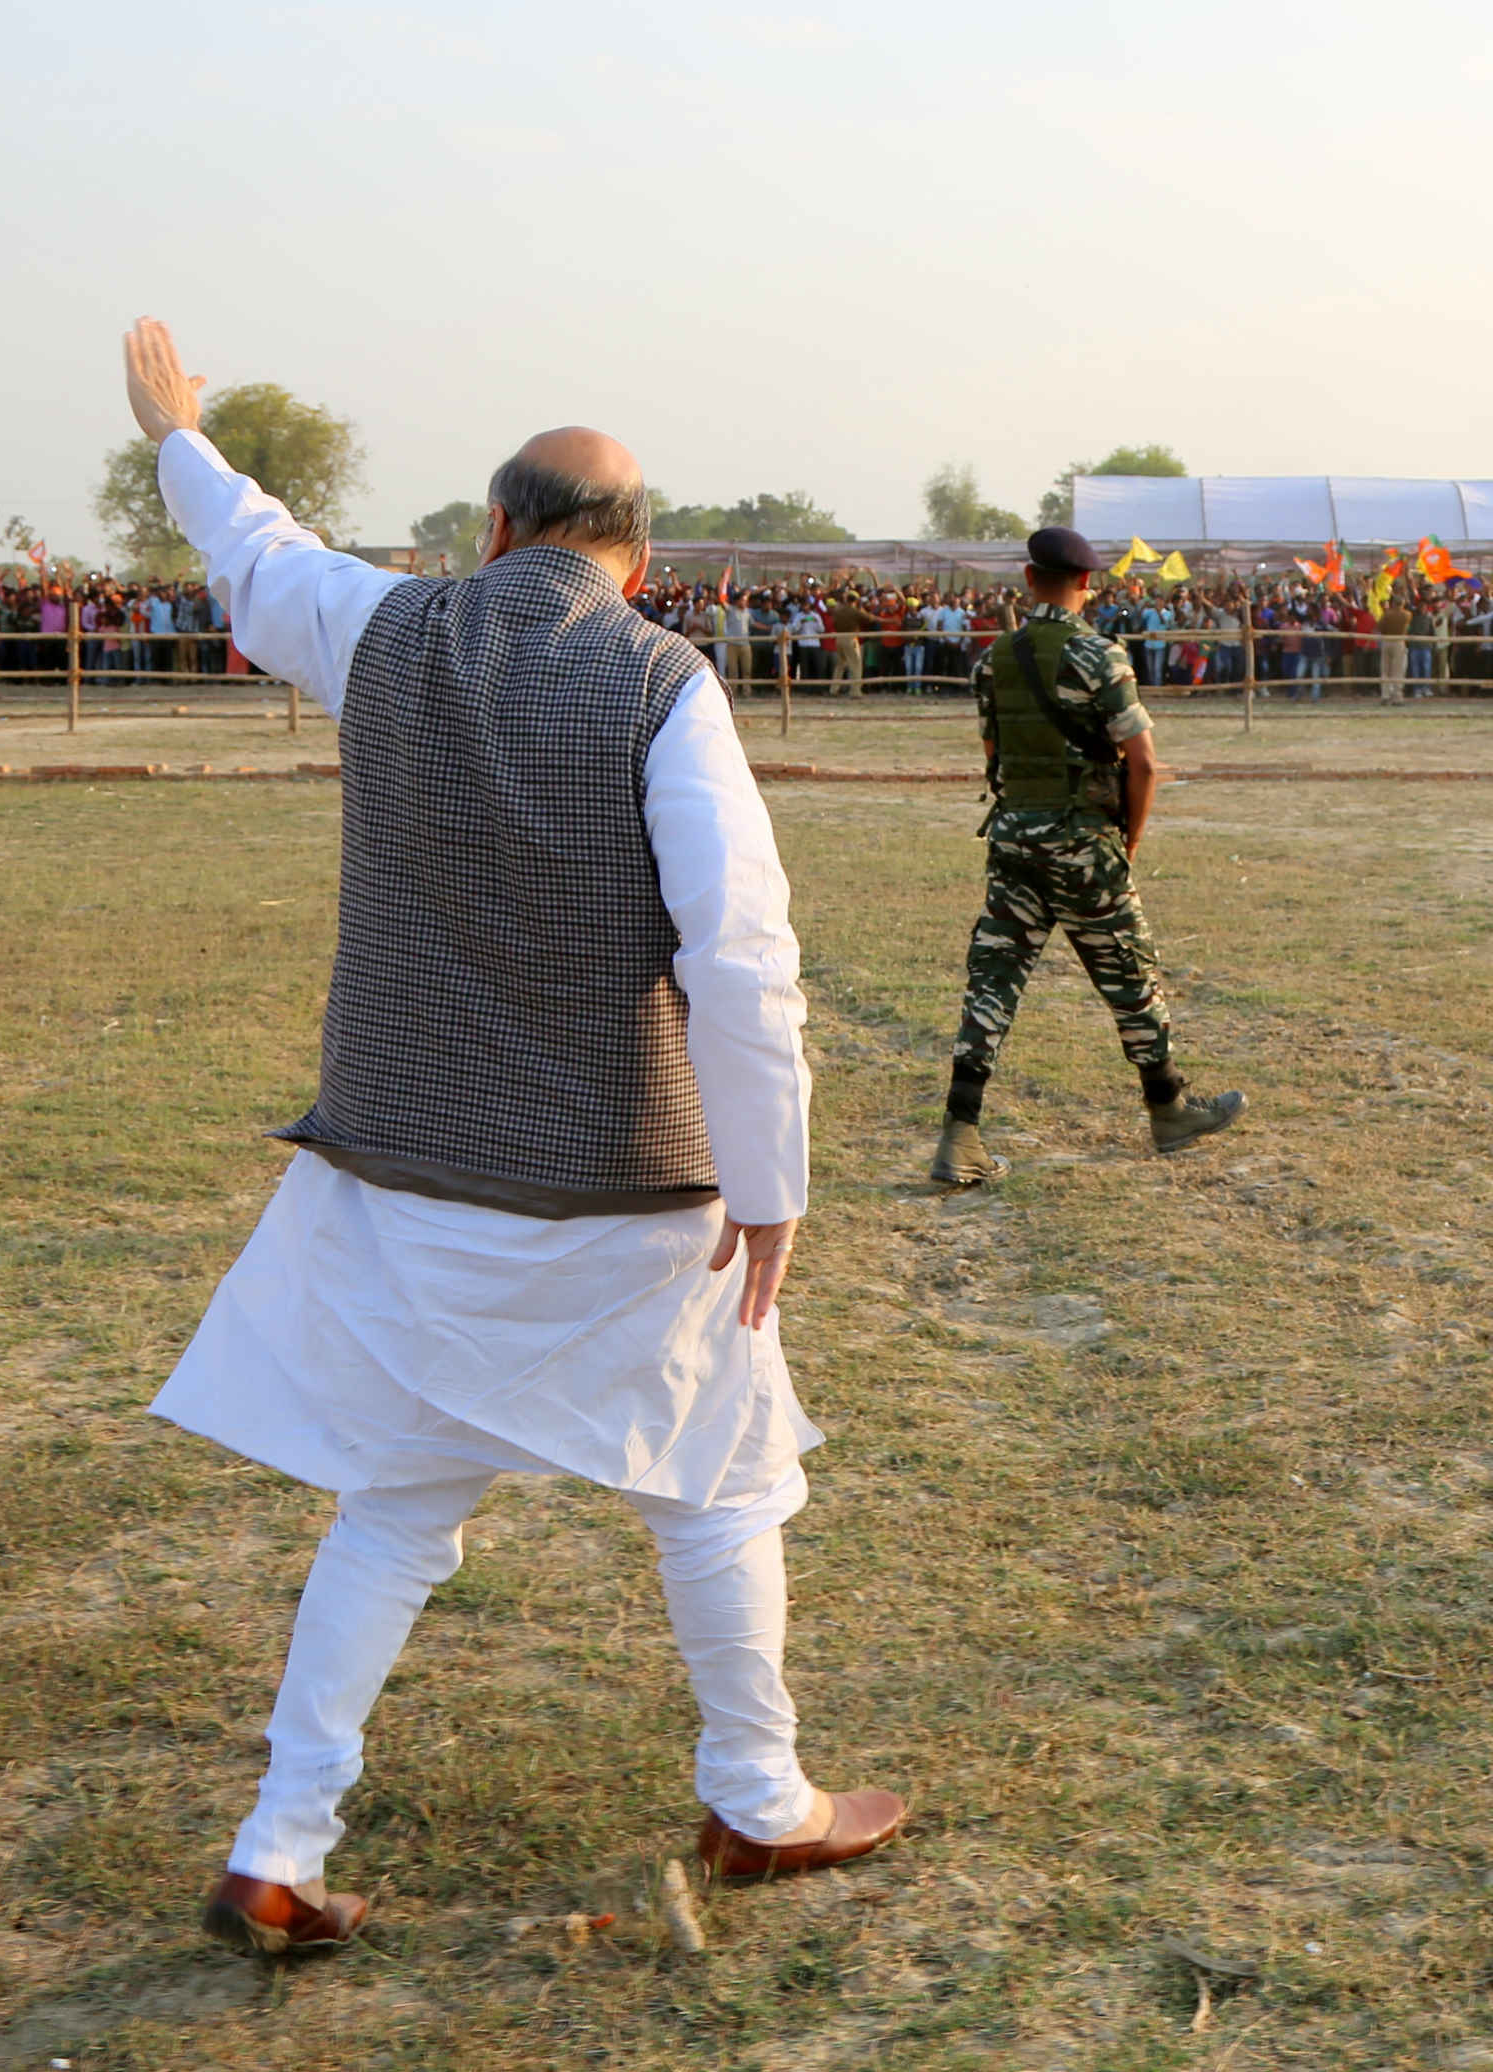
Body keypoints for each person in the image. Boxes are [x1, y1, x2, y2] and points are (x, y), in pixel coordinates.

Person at [113, 320, 901, 1960]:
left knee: (396, 1509)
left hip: (400, 1186)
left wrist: (177, 433)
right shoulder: (662, 678)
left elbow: (258, 556)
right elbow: (744, 956)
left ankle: (283, 1841)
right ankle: (758, 1799)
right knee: (723, 1484)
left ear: (490, 533)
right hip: (624, 1184)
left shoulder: (386, 631)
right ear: (638, 555)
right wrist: (772, 1187)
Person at [933, 527, 1244, 1187]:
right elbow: (1145, 764)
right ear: (1087, 583)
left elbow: (994, 758)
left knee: (993, 983)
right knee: (1130, 978)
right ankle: (1168, 1111)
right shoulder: (1099, 657)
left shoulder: (994, 661)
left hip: (1014, 841)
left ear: (1027, 577)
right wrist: (1125, 843)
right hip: (1083, 844)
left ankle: (959, 1134)